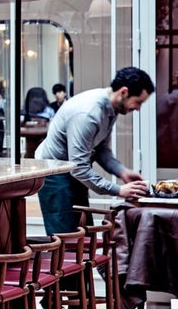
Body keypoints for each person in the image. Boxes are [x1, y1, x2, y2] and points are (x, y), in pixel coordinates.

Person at [36, 67, 153, 234]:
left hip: (71, 170)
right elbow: (79, 167)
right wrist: (118, 190)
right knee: (66, 238)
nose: (139, 108)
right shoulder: (88, 114)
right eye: (138, 102)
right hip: (53, 172)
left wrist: (122, 172)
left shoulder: (111, 108)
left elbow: (101, 150)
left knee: (84, 233)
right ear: (124, 92)